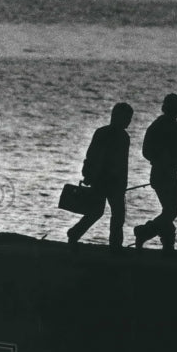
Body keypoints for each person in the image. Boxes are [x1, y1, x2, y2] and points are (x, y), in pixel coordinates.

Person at [67, 102, 133, 251]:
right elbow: (97, 157)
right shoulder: (118, 136)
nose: (129, 121)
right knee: (110, 214)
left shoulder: (111, 134)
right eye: (127, 118)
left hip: (107, 181)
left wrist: (89, 174)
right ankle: (114, 246)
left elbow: (93, 156)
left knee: (104, 213)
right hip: (107, 181)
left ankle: (76, 233)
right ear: (118, 117)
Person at [134, 93, 177, 253]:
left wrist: (157, 160)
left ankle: (168, 246)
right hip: (169, 175)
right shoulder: (176, 128)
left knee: (168, 211)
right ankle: (144, 232)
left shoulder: (155, 126)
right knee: (171, 212)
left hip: (156, 174)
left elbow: (145, 151)